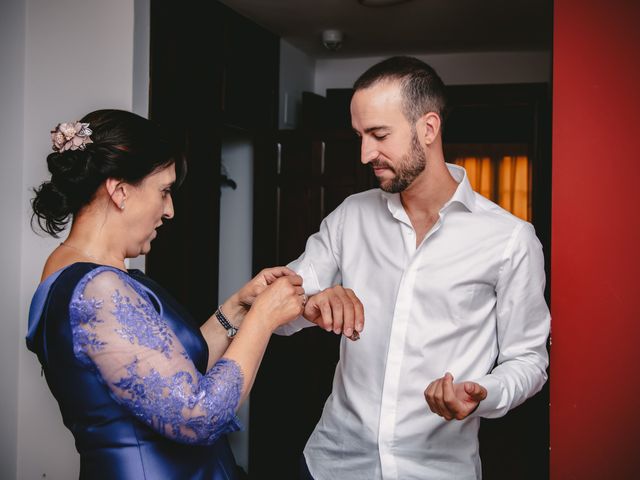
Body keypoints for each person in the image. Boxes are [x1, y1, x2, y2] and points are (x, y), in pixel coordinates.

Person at [277, 57, 551, 479]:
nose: (366, 153)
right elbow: (272, 314)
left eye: (379, 134)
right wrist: (310, 303)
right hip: (332, 464)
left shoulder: (510, 239)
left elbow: (529, 360)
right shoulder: (351, 216)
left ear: (428, 128)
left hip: (438, 470)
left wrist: (483, 394)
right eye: (360, 136)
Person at [27, 109, 307, 479]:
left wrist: (237, 310)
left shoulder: (82, 275)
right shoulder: (99, 289)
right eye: (164, 191)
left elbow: (170, 379)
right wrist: (263, 319)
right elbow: (199, 416)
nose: (170, 210)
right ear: (120, 190)